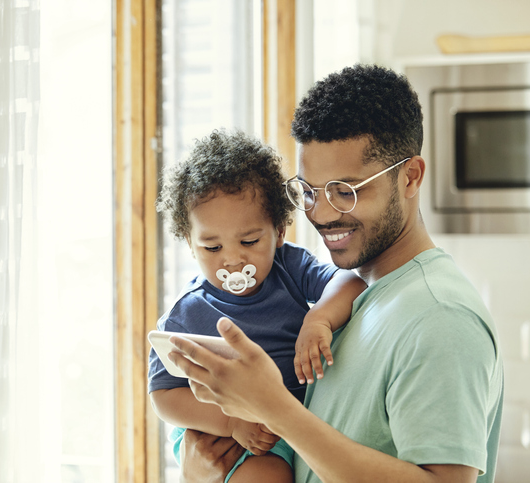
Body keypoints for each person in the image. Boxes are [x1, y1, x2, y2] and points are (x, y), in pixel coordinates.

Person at [169, 64, 505, 483]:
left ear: (410, 177)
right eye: (309, 192)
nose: (323, 215)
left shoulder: (440, 317)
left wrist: (272, 407)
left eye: (345, 191)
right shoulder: (355, 299)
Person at [148, 129, 367, 483]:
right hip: (222, 430)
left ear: (279, 231)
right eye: (212, 248)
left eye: (249, 241)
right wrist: (232, 422)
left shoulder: (289, 266)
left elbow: (351, 282)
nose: (233, 260)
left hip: (284, 421)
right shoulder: (185, 314)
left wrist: (318, 318)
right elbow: (163, 397)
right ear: (189, 243)